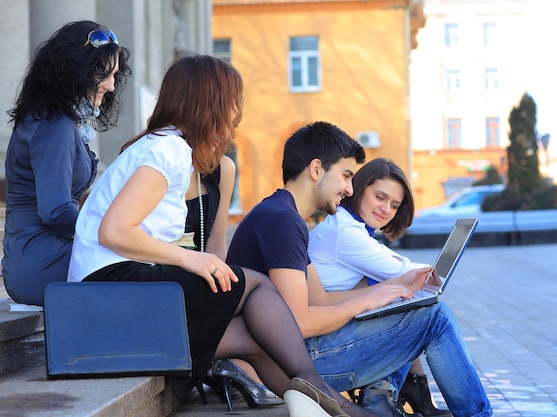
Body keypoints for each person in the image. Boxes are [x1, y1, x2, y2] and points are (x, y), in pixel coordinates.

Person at [67, 55, 374, 417]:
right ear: (207, 102)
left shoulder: (163, 146)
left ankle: (324, 407)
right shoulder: (168, 150)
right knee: (257, 286)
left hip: (110, 301)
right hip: (111, 290)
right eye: (231, 103)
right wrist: (190, 258)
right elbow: (115, 230)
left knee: (253, 337)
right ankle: (325, 394)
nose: (235, 115)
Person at [226, 121, 493, 417]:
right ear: (316, 170)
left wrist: (385, 292)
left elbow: (321, 301)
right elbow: (301, 323)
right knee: (436, 318)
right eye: (345, 176)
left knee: (406, 308)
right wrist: (368, 299)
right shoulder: (282, 221)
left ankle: (392, 400)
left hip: (287, 353)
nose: (348, 189)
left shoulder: (283, 215)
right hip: (293, 361)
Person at [1, 21, 131, 307]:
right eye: (103, 74)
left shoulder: (55, 120)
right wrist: (116, 231)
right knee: (154, 276)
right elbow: (57, 211)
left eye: (114, 75)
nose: (111, 86)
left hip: (42, 256)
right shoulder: (55, 126)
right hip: (42, 263)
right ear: (75, 70)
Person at [309, 158, 451, 416]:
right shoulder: (346, 233)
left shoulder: (353, 228)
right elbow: (405, 272)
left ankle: (406, 392)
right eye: (380, 197)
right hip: (321, 342)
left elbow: (399, 271)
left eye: (394, 205)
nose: (386, 209)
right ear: (360, 189)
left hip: (328, 328)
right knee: (413, 304)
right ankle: (386, 394)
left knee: (400, 297)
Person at [183, 156, 283, 410]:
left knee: (253, 311)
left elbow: (216, 243)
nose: (227, 134)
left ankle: (307, 395)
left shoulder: (223, 167)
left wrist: (223, 296)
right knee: (259, 290)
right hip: (161, 277)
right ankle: (315, 395)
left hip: (200, 276)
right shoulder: (159, 156)